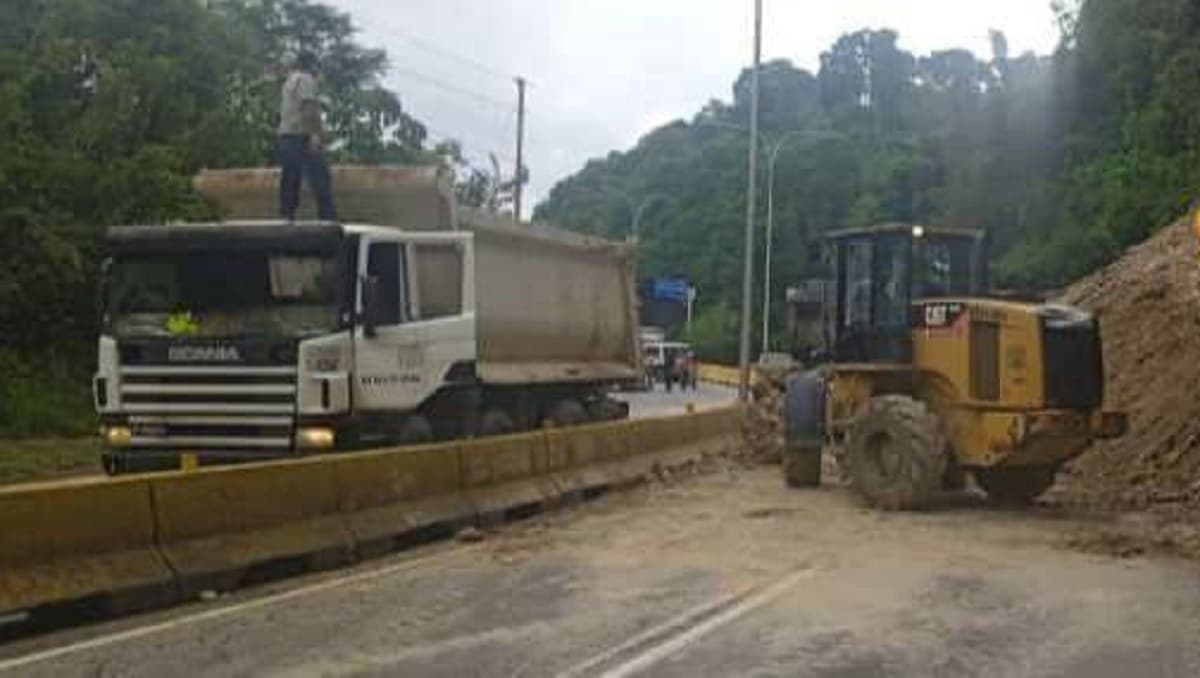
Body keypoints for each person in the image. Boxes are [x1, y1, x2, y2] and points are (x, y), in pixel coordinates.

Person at [278, 51, 336, 221]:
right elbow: (309, 110)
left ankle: (286, 215)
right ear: (313, 66)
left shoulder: (290, 81)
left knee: (290, 177)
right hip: (300, 137)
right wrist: (316, 136)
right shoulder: (305, 79)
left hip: (286, 136)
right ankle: (327, 218)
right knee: (320, 177)